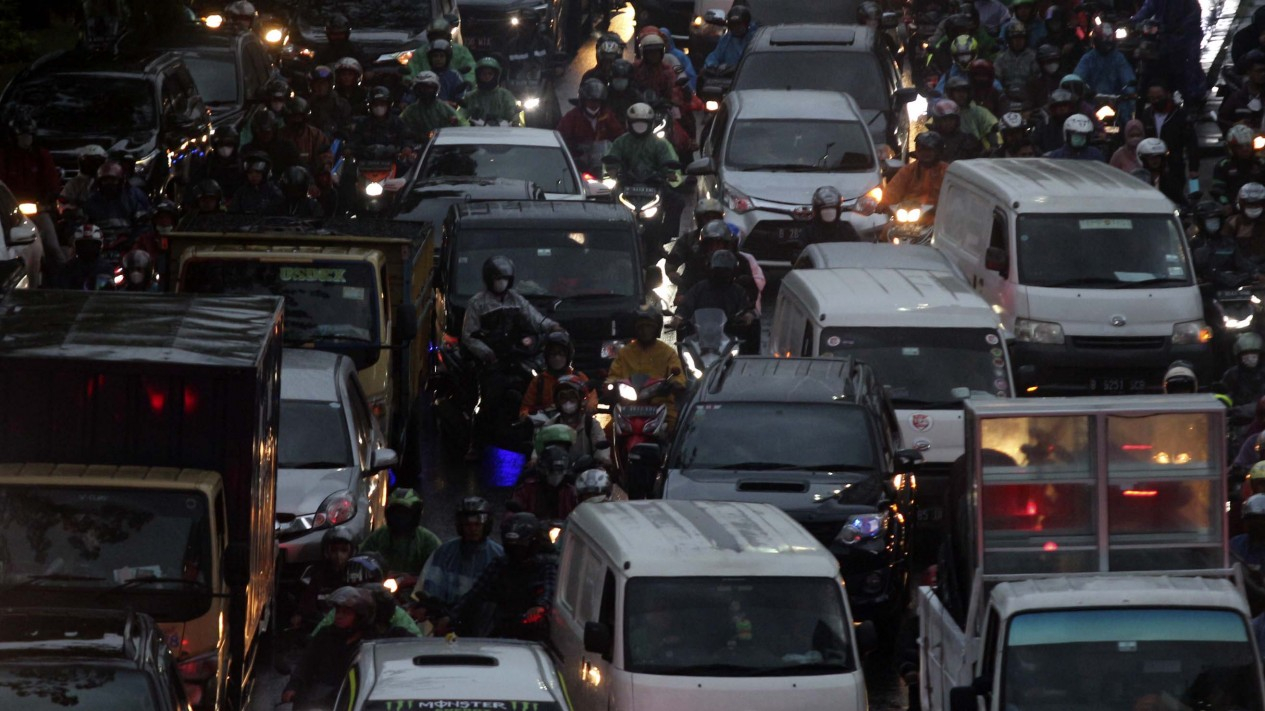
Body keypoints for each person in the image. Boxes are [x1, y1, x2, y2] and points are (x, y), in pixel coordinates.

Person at [444, 512, 558, 640]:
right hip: (504, 628)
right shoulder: (500, 565)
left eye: (519, 548)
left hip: (535, 635)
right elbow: (476, 593)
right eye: (511, 548)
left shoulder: (546, 565)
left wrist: (540, 606)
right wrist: (451, 616)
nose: (515, 553)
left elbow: (549, 590)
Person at [411, 496, 505, 620]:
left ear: (486, 526)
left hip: (485, 626)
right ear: (460, 526)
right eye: (467, 525)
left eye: (477, 524)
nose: (472, 529)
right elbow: (430, 588)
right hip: (445, 621)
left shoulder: (498, 556)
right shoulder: (444, 553)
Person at [280, 586, 374, 707]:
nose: (339, 616)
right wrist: (292, 686)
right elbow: (306, 663)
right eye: (338, 611)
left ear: (360, 617)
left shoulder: (370, 642)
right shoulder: (325, 635)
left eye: (346, 613)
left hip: (354, 701)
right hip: (319, 700)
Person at [0, 116, 62, 283]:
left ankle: (59, 281)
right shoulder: (4, 157)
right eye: (22, 136)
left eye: (29, 135)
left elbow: (52, 182)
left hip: (37, 209)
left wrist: (47, 201)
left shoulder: (41, 156)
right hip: (7, 211)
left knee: (53, 247)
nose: (26, 140)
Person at [606, 304, 687, 429]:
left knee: (675, 428)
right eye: (641, 326)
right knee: (610, 431)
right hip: (629, 408)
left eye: (649, 326)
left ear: (657, 329)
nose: (645, 330)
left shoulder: (668, 352)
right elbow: (613, 376)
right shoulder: (624, 353)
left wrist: (674, 384)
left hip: (660, 408)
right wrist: (610, 384)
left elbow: (678, 376)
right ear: (635, 329)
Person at [672, 250, 758, 353]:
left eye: (726, 271)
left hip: (728, 339)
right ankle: (683, 363)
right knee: (683, 333)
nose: (721, 275)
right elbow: (686, 305)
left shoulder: (738, 291)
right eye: (718, 271)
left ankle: (749, 361)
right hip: (700, 338)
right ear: (711, 270)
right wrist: (679, 317)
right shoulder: (699, 288)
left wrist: (748, 316)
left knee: (754, 326)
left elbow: (746, 308)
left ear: (733, 272)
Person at [358, 488, 442, 586]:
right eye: (396, 512)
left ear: (415, 515)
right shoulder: (378, 537)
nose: (399, 517)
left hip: (416, 593)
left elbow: (440, 573)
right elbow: (361, 559)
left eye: (404, 513)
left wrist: (414, 579)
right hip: (380, 589)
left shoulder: (428, 541)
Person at [1130, 0, 1206, 105]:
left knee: (1187, 66)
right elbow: (1147, 8)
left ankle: (1192, 97)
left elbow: (1195, 13)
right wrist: (1134, 22)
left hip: (1186, 37)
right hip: (1164, 37)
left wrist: (1181, 27)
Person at [1137, 81, 1199, 194]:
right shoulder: (1146, 115)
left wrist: (1193, 169)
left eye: (1159, 97)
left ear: (1168, 95)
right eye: (1152, 98)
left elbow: (1192, 143)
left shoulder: (1180, 115)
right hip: (1151, 166)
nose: (1156, 101)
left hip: (1174, 166)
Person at [291, 528, 356, 631]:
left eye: (343, 550)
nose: (339, 555)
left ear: (351, 552)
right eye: (334, 550)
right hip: (323, 625)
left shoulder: (357, 574)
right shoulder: (319, 575)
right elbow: (308, 601)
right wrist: (300, 615)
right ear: (326, 553)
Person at [82, 160, 154, 253]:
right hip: (99, 248)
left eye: (113, 180)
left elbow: (144, 225)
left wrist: (132, 241)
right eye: (105, 180)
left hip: (129, 247)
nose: (109, 184)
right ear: (99, 183)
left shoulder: (133, 197)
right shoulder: (92, 201)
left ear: (121, 181)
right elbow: (84, 225)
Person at [556, 78, 625, 174]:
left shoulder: (607, 116)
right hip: (579, 166)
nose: (594, 105)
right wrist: (575, 151)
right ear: (583, 101)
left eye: (597, 101)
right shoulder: (572, 117)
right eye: (591, 101)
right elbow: (560, 138)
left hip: (604, 167)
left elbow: (620, 137)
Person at [520, 331, 594, 418]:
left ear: (568, 356)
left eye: (561, 353)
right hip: (547, 426)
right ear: (547, 356)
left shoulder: (578, 377)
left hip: (575, 422)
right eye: (553, 354)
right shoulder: (540, 381)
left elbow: (592, 396)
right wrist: (526, 416)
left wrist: (590, 406)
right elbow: (526, 406)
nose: (557, 357)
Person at [540, 378, 611, 468]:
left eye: (572, 397)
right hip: (557, 474)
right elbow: (539, 449)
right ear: (557, 402)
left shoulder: (591, 423)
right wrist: (534, 459)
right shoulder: (551, 425)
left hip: (586, 475)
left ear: (580, 400)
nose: (568, 402)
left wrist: (603, 460)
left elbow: (601, 446)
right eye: (563, 398)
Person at [1074, 24, 1136, 122]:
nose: (1106, 46)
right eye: (1103, 43)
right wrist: (1082, 90)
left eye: (1109, 43)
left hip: (1117, 103)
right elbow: (1078, 77)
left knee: (1128, 115)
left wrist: (1130, 93)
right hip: (1092, 101)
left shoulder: (1119, 58)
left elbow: (1127, 77)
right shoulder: (1088, 59)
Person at [604, 102, 680, 181]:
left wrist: (669, 172)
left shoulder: (659, 143)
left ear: (651, 124)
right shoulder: (621, 142)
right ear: (628, 123)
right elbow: (613, 156)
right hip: (626, 182)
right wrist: (612, 169)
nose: (640, 127)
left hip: (654, 183)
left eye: (643, 124)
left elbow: (666, 159)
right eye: (636, 124)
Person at [512, 443, 581, 521]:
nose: (556, 476)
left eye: (559, 472)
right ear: (543, 470)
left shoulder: (570, 492)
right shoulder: (528, 489)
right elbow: (512, 513)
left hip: (564, 531)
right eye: (552, 472)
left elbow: (580, 514)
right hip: (533, 530)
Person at [884, 131, 949, 209]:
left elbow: (955, 196)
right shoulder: (908, 170)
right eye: (921, 150)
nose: (925, 153)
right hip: (908, 215)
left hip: (941, 217)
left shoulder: (947, 172)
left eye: (929, 150)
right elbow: (893, 190)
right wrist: (884, 203)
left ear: (938, 152)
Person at [407, 18, 477, 85]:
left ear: (448, 37)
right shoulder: (420, 52)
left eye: (441, 35)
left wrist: (467, 83)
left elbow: (471, 69)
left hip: (454, 91)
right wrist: (408, 80)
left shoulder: (461, 51)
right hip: (426, 90)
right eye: (434, 36)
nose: (438, 38)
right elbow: (411, 70)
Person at [189, 127, 246, 206]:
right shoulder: (207, 164)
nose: (225, 148)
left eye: (228, 144)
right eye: (221, 144)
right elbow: (194, 187)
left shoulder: (242, 164)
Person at [1213, 125, 1265, 209]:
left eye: (1248, 145)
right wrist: (1225, 204)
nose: (1245, 149)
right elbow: (1218, 191)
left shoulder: (1261, 163)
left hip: (1260, 208)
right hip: (1234, 209)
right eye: (1240, 146)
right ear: (1232, 148)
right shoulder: (1223, 166)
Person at [401, 72, 466, 139]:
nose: (425, 91)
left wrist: (455, 123)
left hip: (443, 143)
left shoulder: (443, 107)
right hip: (418, 144)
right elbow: (400, 126)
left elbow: (463, 125)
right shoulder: (411, 110)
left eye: (429, 88)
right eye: (421, 88)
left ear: (435, 89)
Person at [463, 57, 522, 126]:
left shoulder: (505, 95)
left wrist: (512, 123)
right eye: (483, 74)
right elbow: (461, 116)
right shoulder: (471, 96)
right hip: (476, 133)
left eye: (490, 74)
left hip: (502, 133)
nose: (487, 76)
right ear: (478, 75)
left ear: (496, 75)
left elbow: (513, 115)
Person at [1232, 494, 1265, 611]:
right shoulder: (1236, 543)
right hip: (1237, 603)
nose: (1254, 524)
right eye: (1250, 518)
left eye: (1259, 519)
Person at [279, 96, 331, 171]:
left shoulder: (316, 135)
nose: (296, 120)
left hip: (311, 174)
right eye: (293, 117)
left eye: (299, 117)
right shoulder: (280, 135)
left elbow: (326, 154)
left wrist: (325, 165)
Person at [945, 76, 998, 147]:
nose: (961, 95)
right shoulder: (943, 112)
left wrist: (994, 147)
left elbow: (993, 128)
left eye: (964, 91)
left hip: (976, 153)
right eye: (958, 91)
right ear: (950, 93)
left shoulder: (979, 111)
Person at [633, 33, 681, 110]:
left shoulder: (667, 71)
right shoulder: (635, 68)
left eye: (656, 52)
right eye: (650, 52)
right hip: (638, 107)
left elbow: (673, 89)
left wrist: (674, 98)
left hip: (660, 109)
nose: (654, 55)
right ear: (644, 53)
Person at [704, 4, 755, 75]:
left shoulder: (755, 38)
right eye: (733, 25)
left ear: (746, 24)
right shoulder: (726, 39)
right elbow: (715, 56)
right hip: (729, 79)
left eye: (738, 24)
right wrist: (711, 66)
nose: (736, 28)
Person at [1221, 50, 1265, 132]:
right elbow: (1223, 120)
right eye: (1259, 71)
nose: (1263, 74)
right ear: (1249, 72)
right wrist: (1235, 125)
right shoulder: (1236, 98)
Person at [1136, 138, 1187, 206]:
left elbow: (1180, 200)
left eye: (1158, 156)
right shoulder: (1138, 180)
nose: (1155, 160)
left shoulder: (1170, 180)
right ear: (1143, 159)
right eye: (1151, 157)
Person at [994, 23, 1039, 100]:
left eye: (1021, 38)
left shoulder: (1034, 57)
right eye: (1015, 38)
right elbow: (996, 79)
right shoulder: (1001, 58)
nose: (1018, 41)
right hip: (1006, 97)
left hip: (1029, 97)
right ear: (1009, 40)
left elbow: (1037, 78)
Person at [307, 65, 353, 138]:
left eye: (323, 83)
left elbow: (348, 126)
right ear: (312, 86)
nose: (320, 87)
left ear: (329, 85)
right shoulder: (308, 104)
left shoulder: (341, 104)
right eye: (317, 83)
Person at [59, 144, 107, 211]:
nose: (91, 166)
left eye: (94, 162)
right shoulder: (75, 183)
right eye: (88, 162)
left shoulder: (107, 181)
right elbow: (64, 202)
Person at [1227, 183, 1265, 263]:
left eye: (1257, 204)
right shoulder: (1233, 222)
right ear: (1241, 204)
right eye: (1249, 204)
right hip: (1241, 269)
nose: (1253, 207)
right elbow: (1223, 247)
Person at [660, 27, 697, 92]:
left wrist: (688, 89)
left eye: (665, 40)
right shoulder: (653, 57)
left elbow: (686, 73)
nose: (663, 43)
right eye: (661, 40)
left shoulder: (677, 56)